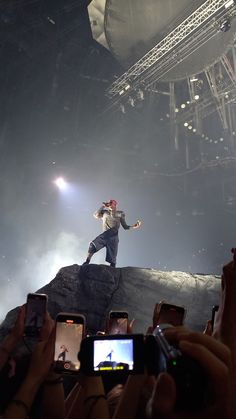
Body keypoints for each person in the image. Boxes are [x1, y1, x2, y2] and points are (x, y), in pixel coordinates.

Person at [83, 199, 141, 268]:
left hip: (114, 237)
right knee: (92, 245)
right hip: (105, 235)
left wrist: (133, 226)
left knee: (113, 259)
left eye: (111, 203)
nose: (109, 204)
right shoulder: (105, 212)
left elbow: (125, 226)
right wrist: (103, 206)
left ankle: (113, 269)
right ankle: (87, 261)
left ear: (115, 204)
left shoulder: (120, 213)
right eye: (109, 202)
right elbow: (95, 215)